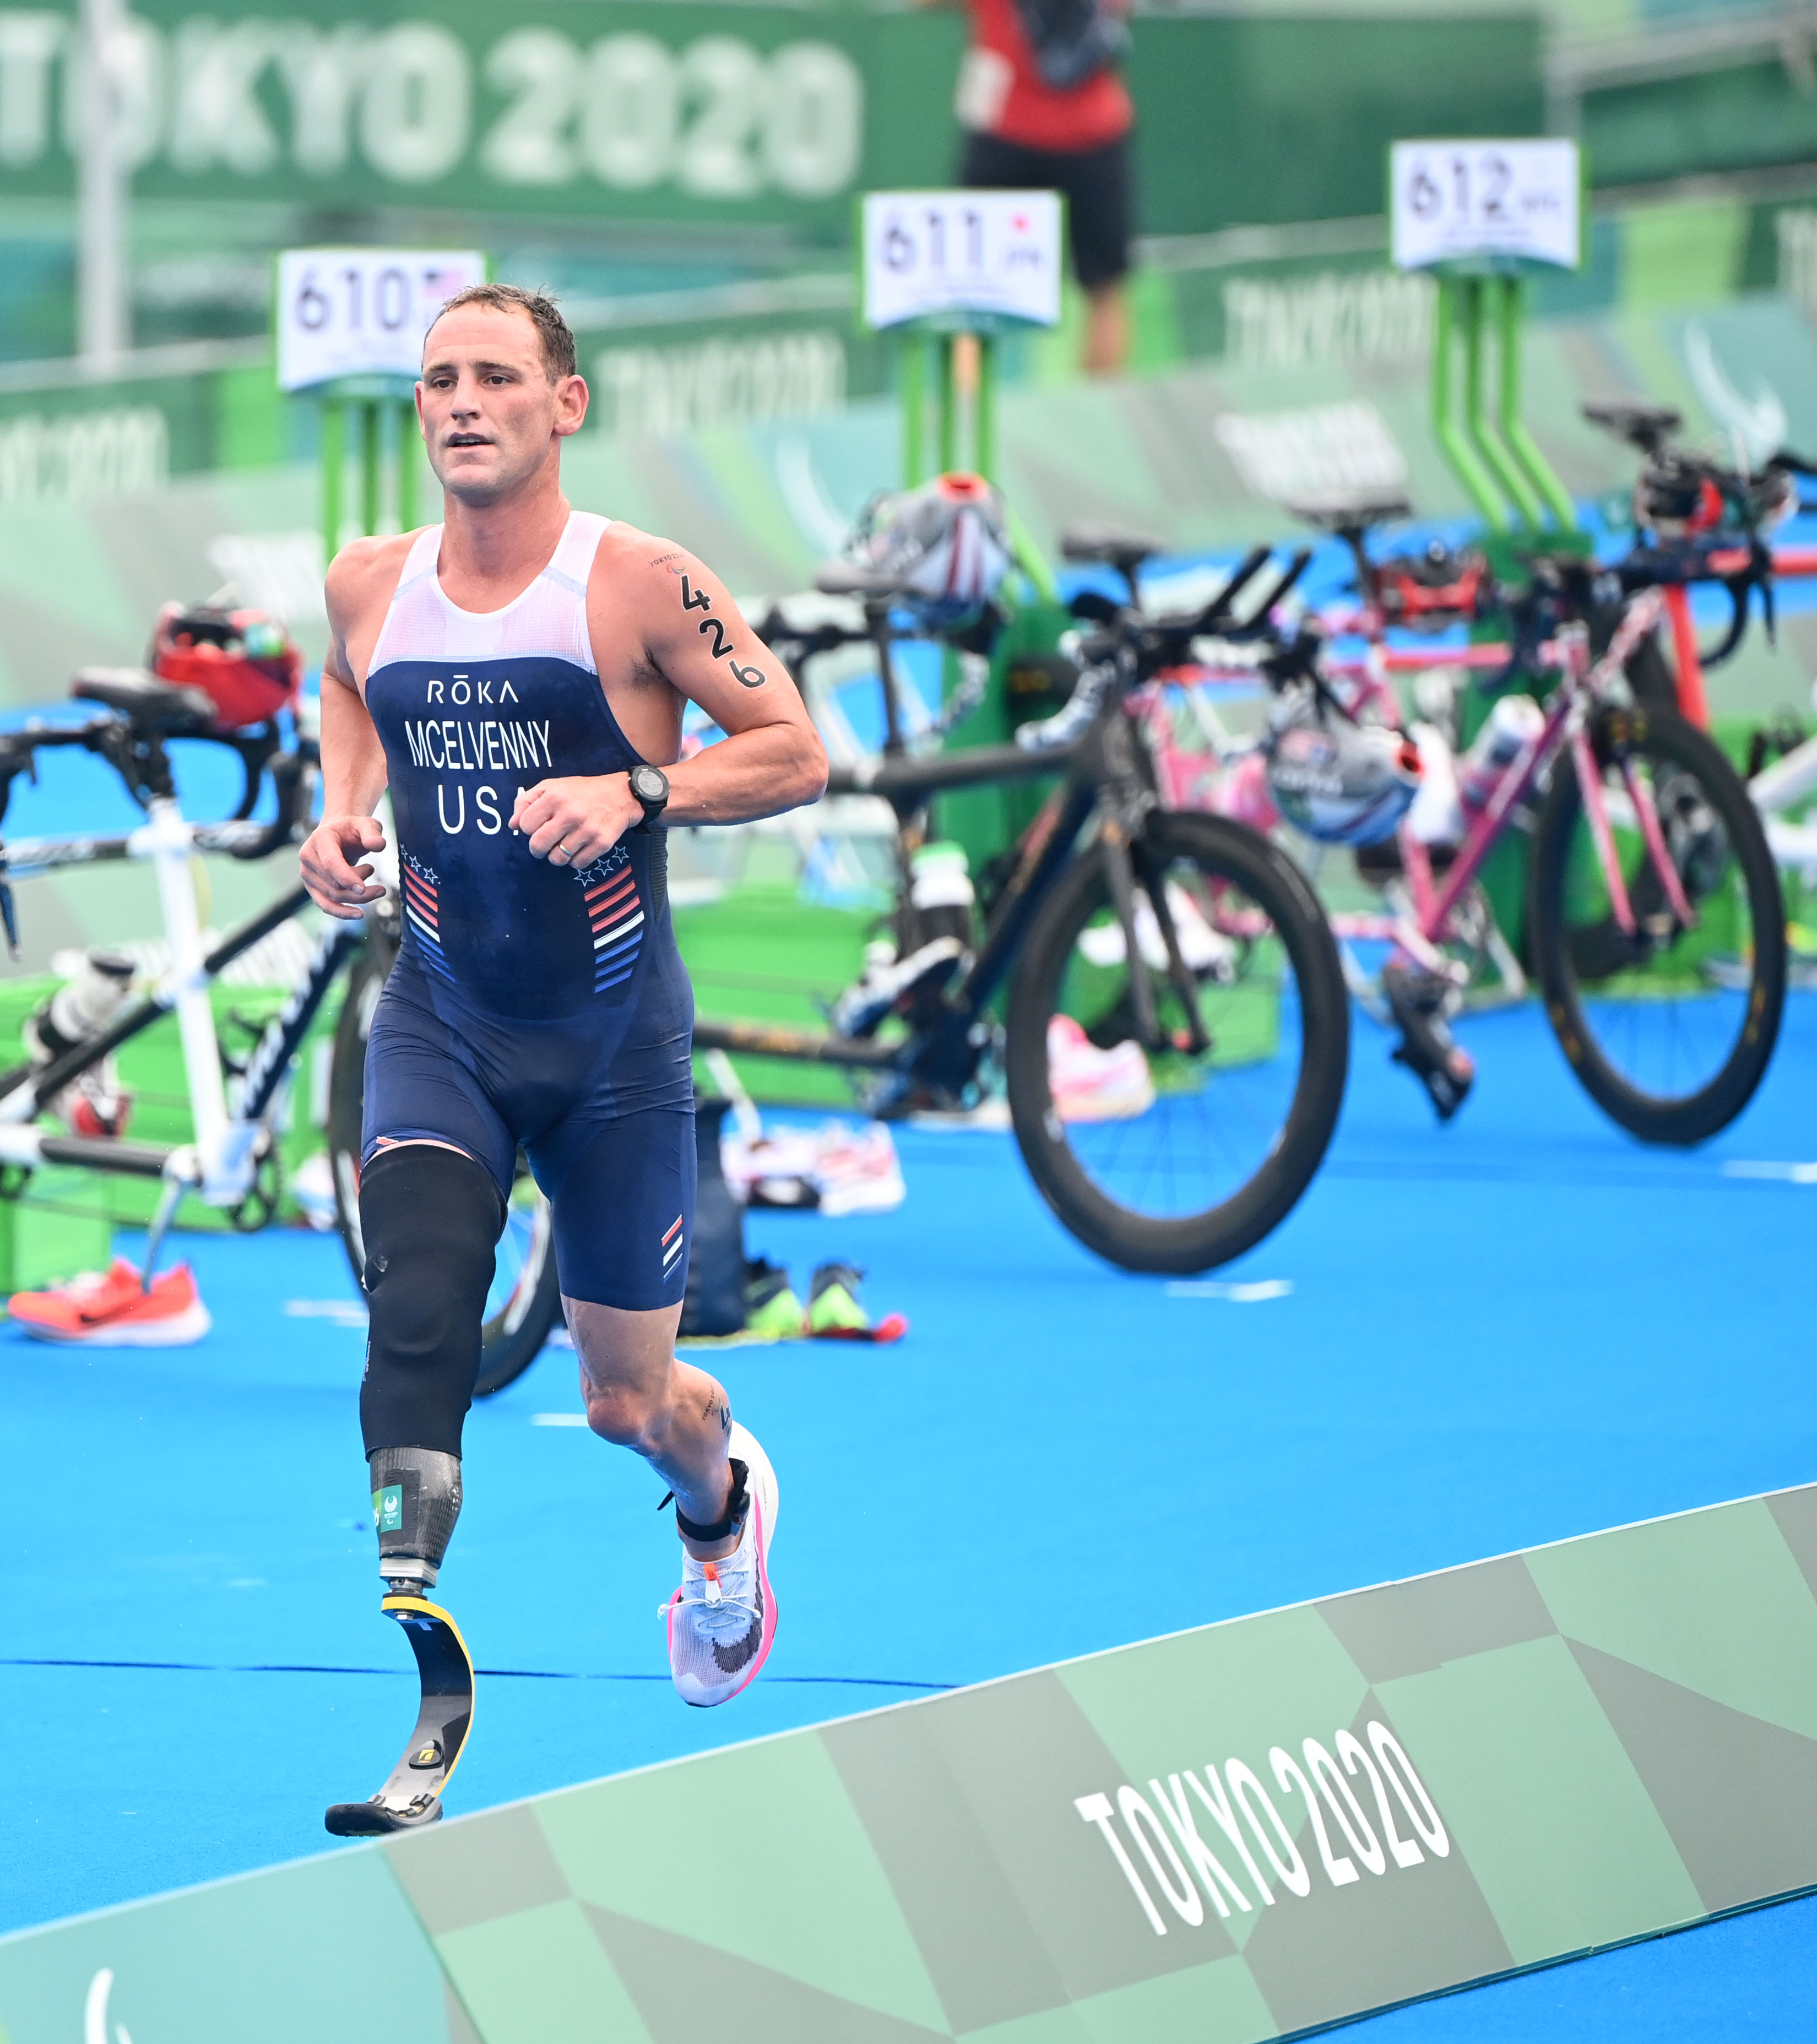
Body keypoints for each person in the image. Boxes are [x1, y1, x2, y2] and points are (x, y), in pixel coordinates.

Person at [300, 284, 828, 1726]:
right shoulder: (368, 581)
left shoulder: (639, 581)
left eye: (496, 377)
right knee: (419, 1297)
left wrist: (640, 787)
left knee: (627, 1406)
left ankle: (722, 1510)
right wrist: (340, 811)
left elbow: (794, 749)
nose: (463, 403)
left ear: (565, 404)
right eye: (439, 380)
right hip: (442, 1018)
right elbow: (345, 683)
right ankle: (412, 1593)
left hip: (612, 1053)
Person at [948, 0, 1136, 376]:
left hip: (1074, 130)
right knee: (971, 289)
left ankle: (968, 400)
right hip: (1021, 128)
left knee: (973, 290)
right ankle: (967, 403)